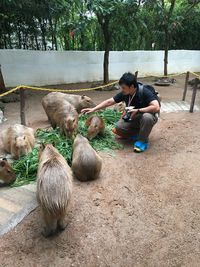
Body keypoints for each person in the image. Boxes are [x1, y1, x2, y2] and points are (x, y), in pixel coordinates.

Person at [81, 72, 160, 152]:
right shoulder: (125, 93)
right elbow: (109, 102)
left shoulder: (145, 92)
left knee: (147, 117)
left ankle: (143, 141)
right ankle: (138, 133)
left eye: (123, 87)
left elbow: (156, 107)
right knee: (119, 128)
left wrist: (139, 110)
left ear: (132, 86)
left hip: (149, 115)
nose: (122, 89)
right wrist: (93, 109)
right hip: (135, 116)